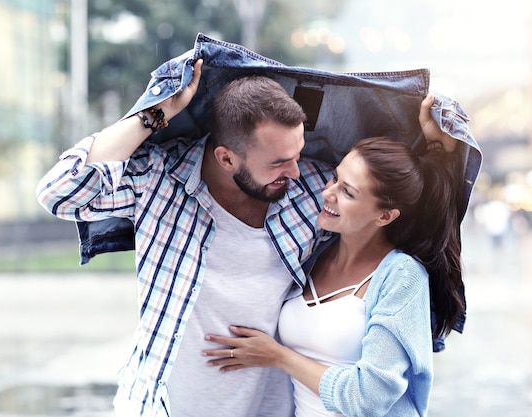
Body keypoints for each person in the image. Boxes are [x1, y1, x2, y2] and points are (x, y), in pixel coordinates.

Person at [37, 56, 462, 415]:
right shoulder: (157, 182)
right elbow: (60, 194)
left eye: (298, 154)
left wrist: (440, 151)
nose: (297, 172)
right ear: (226, 158)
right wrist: (153, 114)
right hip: (160, 405)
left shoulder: (309, 190)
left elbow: (392, 195)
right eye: (279, 162)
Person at [202, 135, 464, 416]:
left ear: (384, 216)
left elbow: (368, 399)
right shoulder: (312, 252)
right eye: (334, 178)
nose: (328, 193)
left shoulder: (402, 276)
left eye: (348, 192)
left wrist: (277, 356)